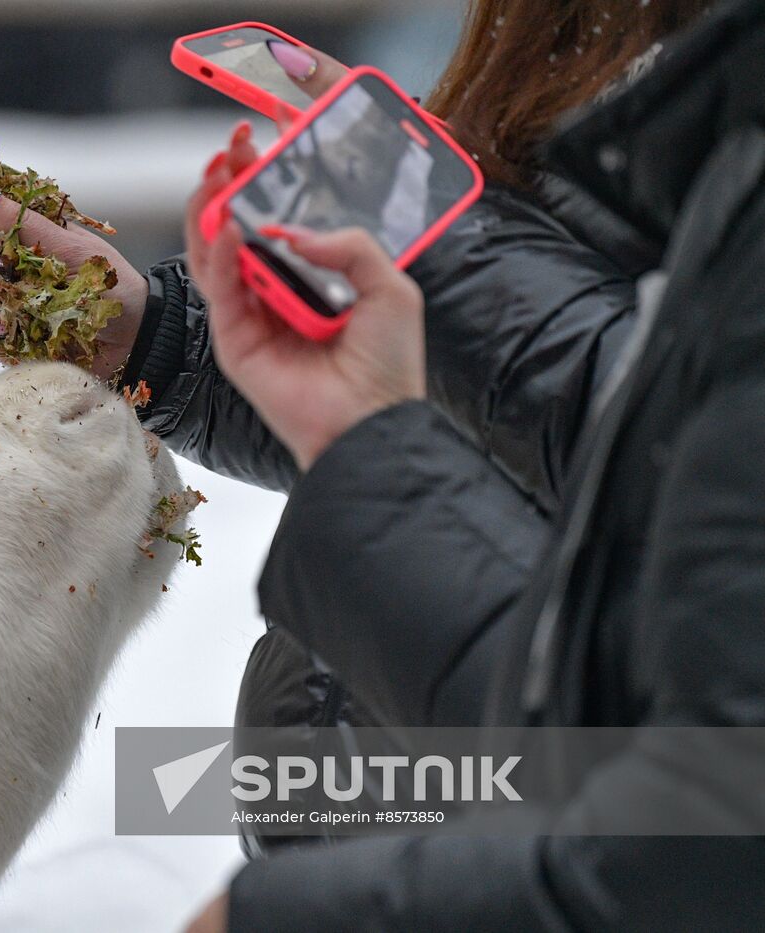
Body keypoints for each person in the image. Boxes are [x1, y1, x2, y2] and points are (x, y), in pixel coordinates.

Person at [0, 0, 708, 855]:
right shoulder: (581, 52)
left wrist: (433, 229)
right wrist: (156, 336)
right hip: (368, 816)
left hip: (535, 841)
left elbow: (656, 437)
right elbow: (483, 421)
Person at [177, 0, 765, 925]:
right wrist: (160, 345)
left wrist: (418, 218)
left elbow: (695, 851)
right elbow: (598, 701)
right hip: (389, 791)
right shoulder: (683, 115)